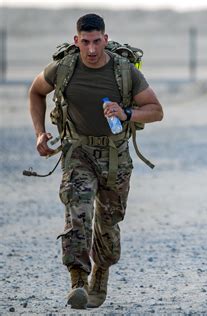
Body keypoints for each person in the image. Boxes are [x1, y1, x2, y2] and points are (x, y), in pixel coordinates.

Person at [28, 13, 164, 309]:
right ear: (77, 41)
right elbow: (36, 92)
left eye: (96, 42)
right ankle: (77, 281)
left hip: (115, 156)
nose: (91, 49)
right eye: (85, 42)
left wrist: (127, 113)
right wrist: (40, 133)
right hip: (78, 152)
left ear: (105, 39)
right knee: (77, 211)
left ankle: (100, 274)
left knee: (108, 224)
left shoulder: (125, 71)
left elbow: (156, 110)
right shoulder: (63, 68)